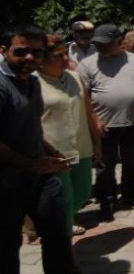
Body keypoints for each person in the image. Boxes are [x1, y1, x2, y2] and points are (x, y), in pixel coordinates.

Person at [0, 25, 78, 274]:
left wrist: (49, 150)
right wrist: (31, 164)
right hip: (6, 180)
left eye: (37, 52)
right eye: (22, 52)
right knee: (7, 244)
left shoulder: (32, 82)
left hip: (40, 174)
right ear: (4, 50)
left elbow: (30, 125)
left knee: (57, 233)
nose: (31, 58)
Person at [77, 24, 134, 221]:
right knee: (105, 166)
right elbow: (83, 96)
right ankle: (107, 201)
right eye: (98, 44)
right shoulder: (87, 64)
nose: (101, 48)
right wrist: (94, 120)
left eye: (106, 44)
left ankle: (131, 195)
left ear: (120, 43)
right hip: (104, 125)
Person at [36, 34, 102, 236]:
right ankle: (66, 251)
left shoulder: (74, 77)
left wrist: (97, 144)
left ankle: (55, 223)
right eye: (58, 55)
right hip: (54, 153)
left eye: (65, 53)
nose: (66, 59)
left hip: (82, 147)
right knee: (65, 199)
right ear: (41, 58)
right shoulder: (32, 82)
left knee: (82, 193)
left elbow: (89, 111)